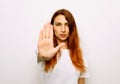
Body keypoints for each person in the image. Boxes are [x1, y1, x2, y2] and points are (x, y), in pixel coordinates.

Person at [37, 9, 89, 84]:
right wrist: (42, 56)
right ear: (52, 27)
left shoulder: (81, 56)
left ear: (71, 28)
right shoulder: (45, 50)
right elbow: (41, 56)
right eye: (58, 24)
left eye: (67, 24)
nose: (63, 29)